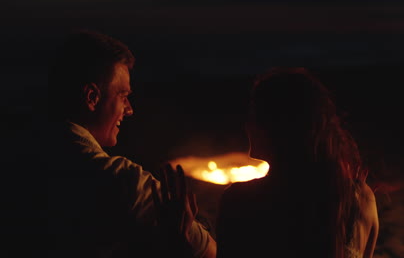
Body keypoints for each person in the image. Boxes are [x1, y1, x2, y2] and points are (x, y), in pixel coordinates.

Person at [47, 29, 216, 258]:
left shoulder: (16, 162)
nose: (129, 109)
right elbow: (208, 252)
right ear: (91, 98)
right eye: (122, 96)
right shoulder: (124, 182)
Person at [215, 67, 379, 258]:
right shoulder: (358, 199)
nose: (247, 125)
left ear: (276, 127)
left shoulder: (238, 202)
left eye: (254, 116)